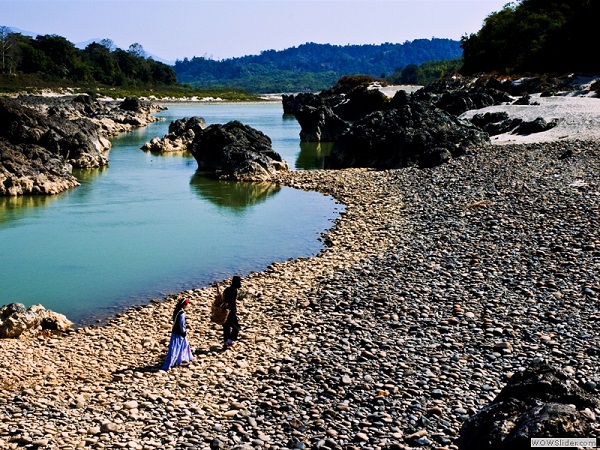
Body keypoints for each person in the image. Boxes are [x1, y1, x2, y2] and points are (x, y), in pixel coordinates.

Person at [162, 297, 193, 370]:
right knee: (178, 347)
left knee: (179, 346)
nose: (188, 305)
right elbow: (182, 324)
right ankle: (176, 361)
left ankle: (180, 359)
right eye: (187, 304)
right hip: (179, 333)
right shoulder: (182, 313)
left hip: (175, 332)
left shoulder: (176, 310)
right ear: (184, 305)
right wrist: (184, 332)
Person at [223, 276, 242, 349]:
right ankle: (230, 341)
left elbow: (224, 299)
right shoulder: (234, 290)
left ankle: (225, 342)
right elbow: (231, 302)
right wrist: (230, 310)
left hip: (224, 310)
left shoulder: (227, 289)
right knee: (236, 327)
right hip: (230, 311)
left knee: (226, 327)